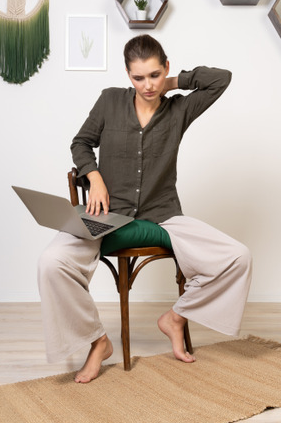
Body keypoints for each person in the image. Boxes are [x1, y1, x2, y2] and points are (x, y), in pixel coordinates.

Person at [38, 34, 252, 384]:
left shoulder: (180, 108)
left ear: (165, 67)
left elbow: (221, 78)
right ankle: (97, 341)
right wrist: (93, 176)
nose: (147, 85)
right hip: (104, 213)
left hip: (163, 214)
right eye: (139, 78)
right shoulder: (109, 101)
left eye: (154, 75)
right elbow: (80, 143)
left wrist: (173, 82)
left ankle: (176, 317)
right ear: (127, 75)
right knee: (51, 262)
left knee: (237, 257)